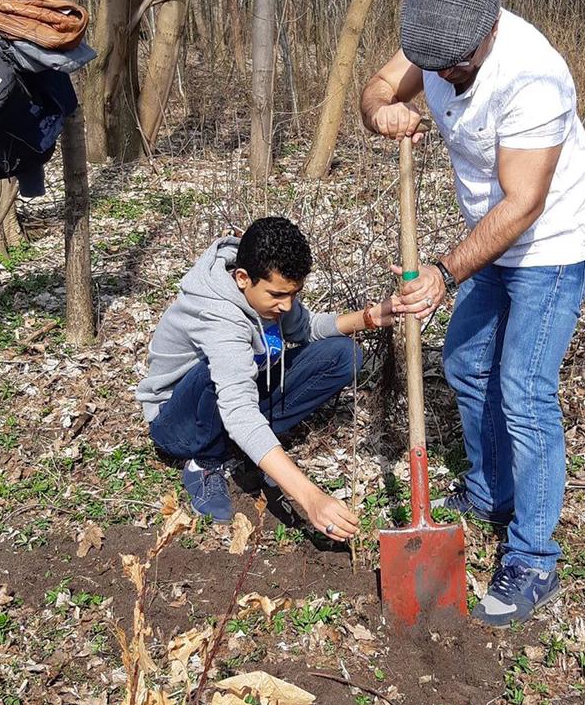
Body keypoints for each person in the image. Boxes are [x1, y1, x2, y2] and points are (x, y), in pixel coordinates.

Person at [361, 0, 585, 628]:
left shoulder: (533, 76)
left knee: (523, 390)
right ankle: (493, 491)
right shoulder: (439, 37)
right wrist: (382, 111)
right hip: (490, 238)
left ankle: (534, 557)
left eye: (455, 65)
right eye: (431, 65)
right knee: (467, 364)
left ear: (490, 29)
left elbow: (524, 204)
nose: (441, 76)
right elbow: (377, 87)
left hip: (552, 245)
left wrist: (444, 274)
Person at [136, 215, 393, 539]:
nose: (286, 305)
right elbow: (238, 408)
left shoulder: (270, 293)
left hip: (233, 399)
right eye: (277, 295)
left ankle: (250, 444)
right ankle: (205, 462)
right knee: (213, 373)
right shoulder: (218, 316)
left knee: (343, 355)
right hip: (179, 422)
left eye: (293, 294)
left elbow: (305, 328)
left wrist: (369, 317)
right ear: (243, 278)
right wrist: (311, 498)